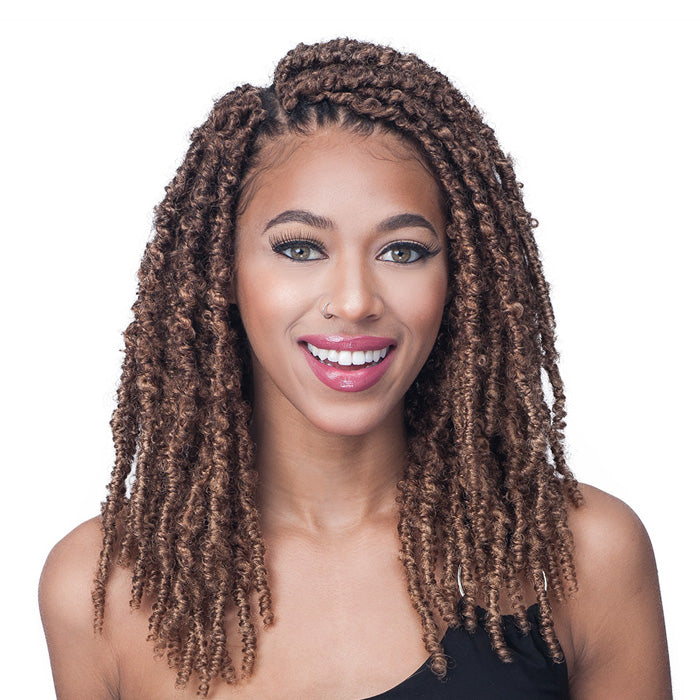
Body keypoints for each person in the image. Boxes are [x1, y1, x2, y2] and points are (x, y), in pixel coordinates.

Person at [38, 38, 672, 699]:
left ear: (460, 277)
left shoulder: (582, 557)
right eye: (300, 248)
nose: (354, 300)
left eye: (402, 251)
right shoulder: (99, 591)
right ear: (220, 270)